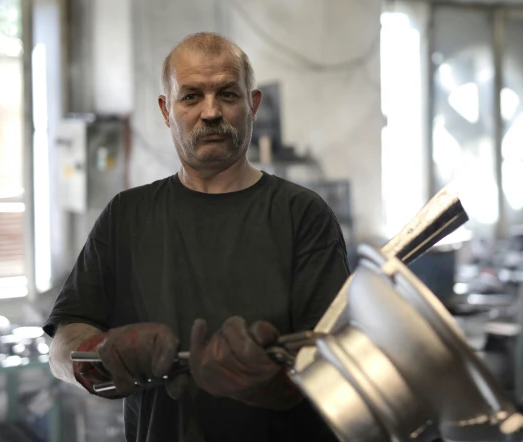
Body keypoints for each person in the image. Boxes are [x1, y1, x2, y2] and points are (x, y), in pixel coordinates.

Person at [44, 32, 350, 441]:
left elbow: (338, 362)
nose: (210, 112)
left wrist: (273, 384)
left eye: (227, 94)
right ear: (166, 110)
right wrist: (97, 354)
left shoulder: (302, 214)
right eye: (190, 97)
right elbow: (62, 346)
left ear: (253, 105)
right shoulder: (128, 215)